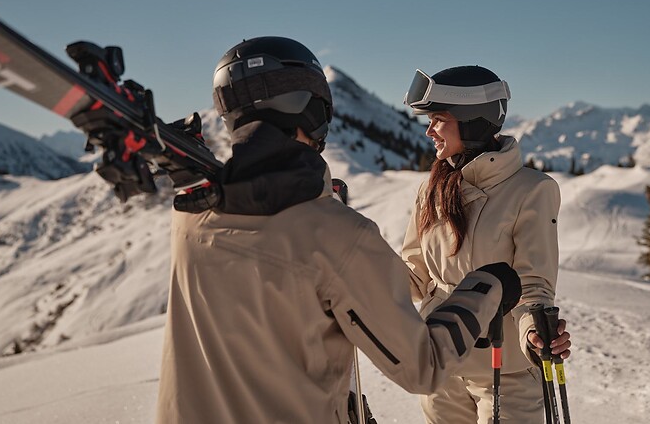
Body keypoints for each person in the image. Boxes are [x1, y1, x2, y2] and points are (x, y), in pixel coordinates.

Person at [154, 37, 524, 424]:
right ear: (313, 109)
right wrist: (487, 288)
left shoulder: (192, 216)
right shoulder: (337, 235)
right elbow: (423, 367)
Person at [401, 66, 572, 424]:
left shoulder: (532, 190)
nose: (429, 131)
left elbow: (533, 283)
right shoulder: (431, 189)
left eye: (438, 120)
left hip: (504, 367)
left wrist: (534, 332)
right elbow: (413, 275)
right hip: (442, 359)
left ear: (471, 121)